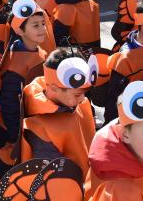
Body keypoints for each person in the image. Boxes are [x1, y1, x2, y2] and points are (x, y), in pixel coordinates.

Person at [0, 0, 48, 175]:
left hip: (29, 121)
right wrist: (16, 136)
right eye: (35, 25)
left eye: (43, 23)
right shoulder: (16, 65)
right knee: (8, 172)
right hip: (14, 130)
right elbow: (10, 105)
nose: (42, 29)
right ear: (20, 30)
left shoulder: (38, 51)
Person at [20, 48, 97, 179]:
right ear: (54, 88)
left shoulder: (80, 103)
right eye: (78, 94)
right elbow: (49, 178)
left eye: (85, 93)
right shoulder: (39, 127)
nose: (83, 98)